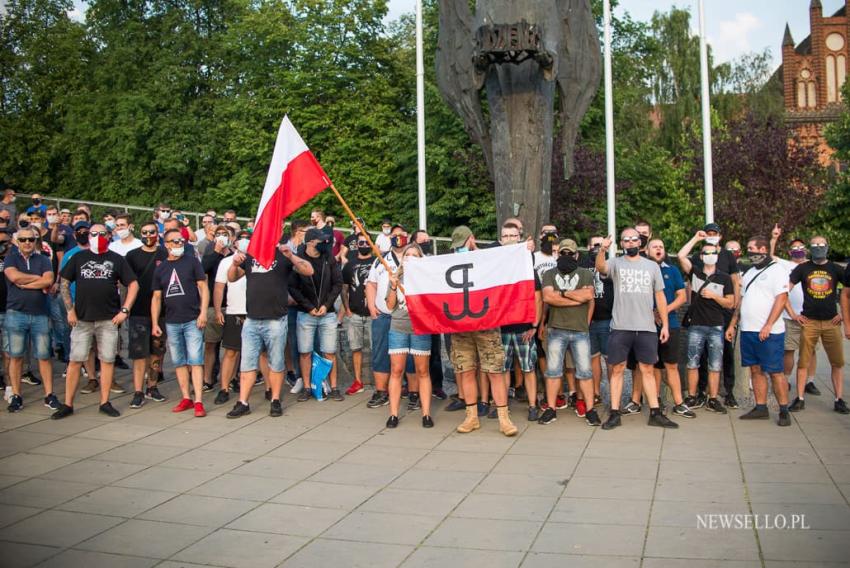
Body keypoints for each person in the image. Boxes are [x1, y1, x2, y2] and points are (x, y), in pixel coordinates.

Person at [53, 223, 139, 419]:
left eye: (101, 233)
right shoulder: (79, 257)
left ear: (108, 235)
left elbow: (133, 284)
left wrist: (125, 310)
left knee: (107, 360)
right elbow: (64, 282)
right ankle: (68, 403)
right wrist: (70, 310)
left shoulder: (116, 259)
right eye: (94, 233)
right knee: (75, 360)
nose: (97, 237)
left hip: (109, 320)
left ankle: (105, 402)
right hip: (82, 319)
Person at [595, 229, 677, 430]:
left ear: (640, 242)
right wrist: (602, 250)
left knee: (647, 369)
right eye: (626, 240)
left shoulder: (651, 266)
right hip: (621, 326)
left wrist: (665, 325)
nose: (630, 243)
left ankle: (655, 412)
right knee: (617, 369)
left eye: (634, 239)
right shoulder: (616, 262)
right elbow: (601, 267)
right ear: (622, 244)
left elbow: (660, 296)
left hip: (647, 327)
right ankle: (615, 413)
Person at [225, 239, 314, 418]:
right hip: (252, 319)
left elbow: (309, 270)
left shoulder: (282, 255)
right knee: (248, 364)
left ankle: (275, 400)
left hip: (275, 319)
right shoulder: (251, 256)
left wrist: (292, 256)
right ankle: (243, 402)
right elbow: (231, 277)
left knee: (276, 362)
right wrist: (234, 265)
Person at [450, 226, 518, 437]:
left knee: (495, 371)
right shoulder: (449, 262)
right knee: (466, 370)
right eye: (457, 246)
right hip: (460, 326)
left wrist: (524, 250)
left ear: (472, 239)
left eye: (463, 244)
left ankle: (504, 418)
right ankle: (471, 416)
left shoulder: (490, 259)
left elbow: (511, 266)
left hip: (487, 324)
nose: (460, 249)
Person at [728, 236, 791, 426]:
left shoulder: (777, 271)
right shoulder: (748, 273)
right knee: (755, 369)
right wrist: (733, 323)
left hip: (769, 332)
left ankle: (783, 409)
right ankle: (760, 406)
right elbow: (742, 301)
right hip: (748, 330)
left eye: (752, 249)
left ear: (763, 249)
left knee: (775, 371)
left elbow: (781, 299)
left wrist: (769, 324)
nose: (750, 253)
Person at [626, 238, 690, 417]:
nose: (659, 249)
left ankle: (679, 403)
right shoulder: (638, 269)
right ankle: (637, 402)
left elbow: (682, 296)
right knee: (645, 365)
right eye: (655, 247)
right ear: (646, 250)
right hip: (644, 325)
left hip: (670, 324)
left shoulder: (673, 270)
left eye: (661, 246)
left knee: (671, 365)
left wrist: (663, 311)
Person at [539, 238, 600, 426]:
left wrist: (562, 294)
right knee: (553, 371)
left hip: (580, 330)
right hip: (556, 329)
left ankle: (590, 409)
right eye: (563, 253)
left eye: (570, 254)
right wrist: (575, 297)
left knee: (585, 372)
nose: (566, 256)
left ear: (576, 255)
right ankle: (551, 409)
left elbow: (589, 296)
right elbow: (548, 297)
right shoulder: (549, 274)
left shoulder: (585, 274)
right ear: (557, 254)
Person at [152, 229, 209, 417]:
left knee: (196, 360)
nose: (179, 244)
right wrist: (155, 323)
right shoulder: (160, 268)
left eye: (181, 240)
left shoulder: (192, 262)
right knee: (179, 362)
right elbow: (157, 297)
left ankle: (199, 400)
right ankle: (186, 397)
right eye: (175, 241)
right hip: (172, 321)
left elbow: (203, 287)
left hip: (192, 319)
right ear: (166, 244)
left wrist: (203, 313)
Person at [788, 236, 848, 414]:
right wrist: (793, 314)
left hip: (831, 322)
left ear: (827, 247)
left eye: (821, 245)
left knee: (837, 363)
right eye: (814, 245)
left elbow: (847, 292)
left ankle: (839, 399)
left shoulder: (836, 269)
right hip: (809, 321)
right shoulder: (803, 268)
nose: (818, 248)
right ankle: (799, 398)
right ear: (809, 248)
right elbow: (784, 291)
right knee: (803, 362)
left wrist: (843, 314)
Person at [678, 234, 735, 416]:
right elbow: (681, 256)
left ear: (718, 255)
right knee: (693, 362)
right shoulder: (695, 272)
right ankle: (693, 396)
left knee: (715, 364)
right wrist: (695, 238)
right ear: (701, 256)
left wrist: (714, 296)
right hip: (696, 324)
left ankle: (713, 398)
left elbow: (730, 303)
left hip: (716, 325)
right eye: (706, 253)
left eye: (713, 252)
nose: (710, 255)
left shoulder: (725, 278)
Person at [3, 226, 57, 412]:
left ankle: (49, 395)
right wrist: (36, 278)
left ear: (36, 241)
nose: (27, 243)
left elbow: (48, 280)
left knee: (44, 356)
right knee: (16, 356)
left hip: (40, 314)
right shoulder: (11, 258)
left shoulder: (43, 259)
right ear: (18, 242)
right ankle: (16, 395)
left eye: (31, 239)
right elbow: (13, 276)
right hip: (16, 313)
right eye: (23, 239)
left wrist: (24, 284)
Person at [289, 228, 343, 401]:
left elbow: (338, 283)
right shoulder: (299, 260)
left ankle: (334, 387)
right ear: (311, 242)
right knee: (305, 352)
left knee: (330, 351)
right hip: (306, 313)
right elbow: (292, 287)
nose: (325, 243)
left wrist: (327, 305)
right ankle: (307, 387)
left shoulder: (329, 259)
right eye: (321, 241)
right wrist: (308, 307)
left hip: (327, 314)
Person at [384, 243, 434, 428]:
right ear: (403, 259)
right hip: (398, 327)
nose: (410, 258)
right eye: (407, 255)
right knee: (396, 370)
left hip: (420, 328)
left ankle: (426, 414)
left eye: (415, 255)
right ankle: (393, 414)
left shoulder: (427, 279)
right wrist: (394, 286)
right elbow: (390, 306)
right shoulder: (395, 277)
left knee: (422, 371)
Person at [694, 223, 741, 408]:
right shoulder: (699, 256)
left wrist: (735, 312)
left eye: (714, 233)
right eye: (708, 233)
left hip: (724, 311)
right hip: (703, 312)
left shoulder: (727, 256)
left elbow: (736, 282)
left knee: (726, 353)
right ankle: (701, 390)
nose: (711, 236)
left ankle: (729, 392)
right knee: (702, 354)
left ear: (720, 236)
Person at [770, 226, 821, 397]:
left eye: (801, 248)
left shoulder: (814, 265)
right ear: (789, 252)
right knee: (789, 350)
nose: (798, 251)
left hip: (811, 316)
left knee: (811, 350)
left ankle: (810, 381)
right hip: (790, 316)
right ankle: (786, 379)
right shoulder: (786, 265)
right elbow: (770, 257)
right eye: (794, 249)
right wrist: (774, 238)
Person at [498, 224, 542, 421]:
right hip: (502, 328)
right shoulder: (496, 267)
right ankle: (503, 406)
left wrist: (534, 325)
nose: (509, 239)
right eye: (505, 236)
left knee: (528, 368)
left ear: (520, 238)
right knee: (503, 368)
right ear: (501, 240)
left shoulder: (527, 268)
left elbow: (538, 298)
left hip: (524, 327)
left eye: (513, 235)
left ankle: (533, 405)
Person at [365, 224, 409, 409]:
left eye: (401, 234)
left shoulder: (414, 257)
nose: (397, 237)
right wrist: (372, 305)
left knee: (411, 355)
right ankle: (381, 391)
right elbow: (371, 283)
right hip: (384, 314)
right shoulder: (380, 260)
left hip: (407, 315)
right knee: (381, 352)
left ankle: (412, 391)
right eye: (394, 234)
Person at [125, 221, 168, 408]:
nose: (148, 235)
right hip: (139, 311)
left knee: (157, 352)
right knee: (139, 354)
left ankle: (152, 386)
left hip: (162, 312)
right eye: (145, 232)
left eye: (152, 232)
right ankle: (138, 391)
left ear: (157, 233)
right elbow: (126, 284)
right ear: (140, 233)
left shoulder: (165, 254)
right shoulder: (132, 255)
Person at [213, 228, 251, 405]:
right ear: (235, 242)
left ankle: (268, 389)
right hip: (234, 311)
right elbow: (219, 287)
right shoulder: (226, 262)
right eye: (241, 238)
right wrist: (219, 310)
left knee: (261, 353)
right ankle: (224, 388)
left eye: (248, 238)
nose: (244, 241)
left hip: (255, 311)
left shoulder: (258, 260)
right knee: (231, 352)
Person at [200, 225, 233, 391]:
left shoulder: (236, 256)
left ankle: (232, 378)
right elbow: (202, 269)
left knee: (233, 347)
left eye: (224, 234)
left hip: (233, 305)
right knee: (210, 344)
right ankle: (207, 379)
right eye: (218, 234)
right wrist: (216, 252)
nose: (221, 237)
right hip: (214, 306)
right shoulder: (211, 254)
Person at [581, 235, 613, 406]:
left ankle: (614, 392)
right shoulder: (582, 266)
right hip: (588, 321)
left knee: (610, 359)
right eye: (595, 245)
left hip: (608, 319)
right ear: (588, 246)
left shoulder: (611, 264)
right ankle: (595, 393)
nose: (598, 248)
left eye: (601, 245)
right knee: (593, 358)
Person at [341, 233, 373, 395]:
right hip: (354, 314)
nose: (364, 245)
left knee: (379, 349)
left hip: (374, 315)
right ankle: (358, 381)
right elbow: (344, 288)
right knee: (356, 348)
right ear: (357, 245)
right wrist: (347, 309)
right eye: (361, 242)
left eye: (367, 242)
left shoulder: (377, 263)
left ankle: (383, 383)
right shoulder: (349, 265)